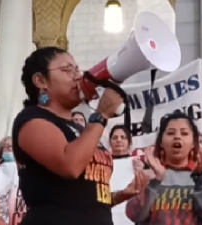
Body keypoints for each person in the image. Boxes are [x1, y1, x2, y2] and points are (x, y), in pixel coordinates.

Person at [12, 47, 150, 225]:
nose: (77, 76)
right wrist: (102, 114)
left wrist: (119, 195)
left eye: (77, 69)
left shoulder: (80, 128)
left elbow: (84, 197)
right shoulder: (31, 120)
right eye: (67, 70)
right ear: (40, 81)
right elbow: (70, 165)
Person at [125, 112, 202, 225]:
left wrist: (200, 179)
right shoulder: (145, 176)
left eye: (184, 133)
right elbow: (134, 215)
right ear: (161, 142)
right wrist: (155, 182)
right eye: (170, 133)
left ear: (193, 142)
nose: (177, 137)